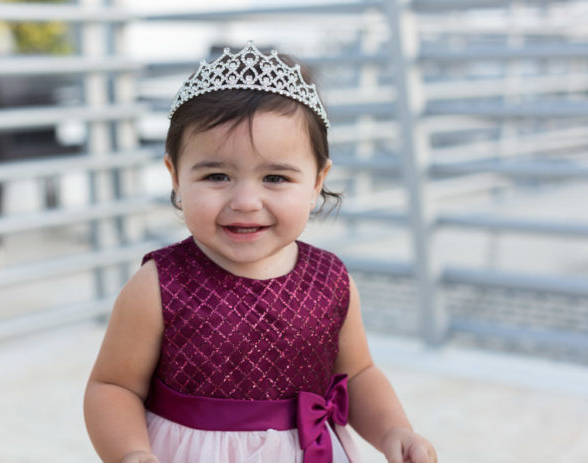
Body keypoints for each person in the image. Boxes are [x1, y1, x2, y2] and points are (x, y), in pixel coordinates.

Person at [84, 41, 437, 463]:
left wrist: (394, 430)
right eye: (217, 175)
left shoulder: (330, 280)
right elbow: (113, 387)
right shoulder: (160, 286)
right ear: (175, 176)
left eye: (275, 177)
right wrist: (131, 454)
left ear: (317, 179)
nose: (246, 201)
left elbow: (358, 374)